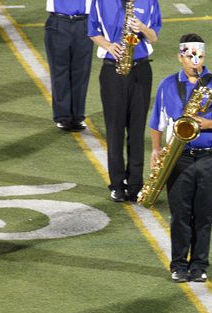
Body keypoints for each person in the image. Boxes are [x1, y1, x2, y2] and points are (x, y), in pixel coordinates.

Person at [149, 33, 212, 283]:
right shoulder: (167, 85)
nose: (195, 61)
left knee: (204, 215)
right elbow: (157, 122)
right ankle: (178, 264)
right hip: (178, 158)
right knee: (180, 215)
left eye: (199, 56)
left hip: (210, 159)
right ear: (180, 57)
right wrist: (156, 150)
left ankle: (199, 266)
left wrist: (208, 123)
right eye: (190, 56)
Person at [88, 0, 161, 202]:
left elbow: (154, 37)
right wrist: (109, 45)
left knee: (137, 130)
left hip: (141, 70)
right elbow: (92, 30)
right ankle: (117, 184)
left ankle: (136, 183)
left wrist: (143, 28)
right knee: (115, 130)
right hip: (113, 70)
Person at [45, 0, 94, 132]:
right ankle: (63, 117)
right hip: (58, 21)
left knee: (81, 72)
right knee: (60, 73)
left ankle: (77, 116)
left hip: (84, 23)